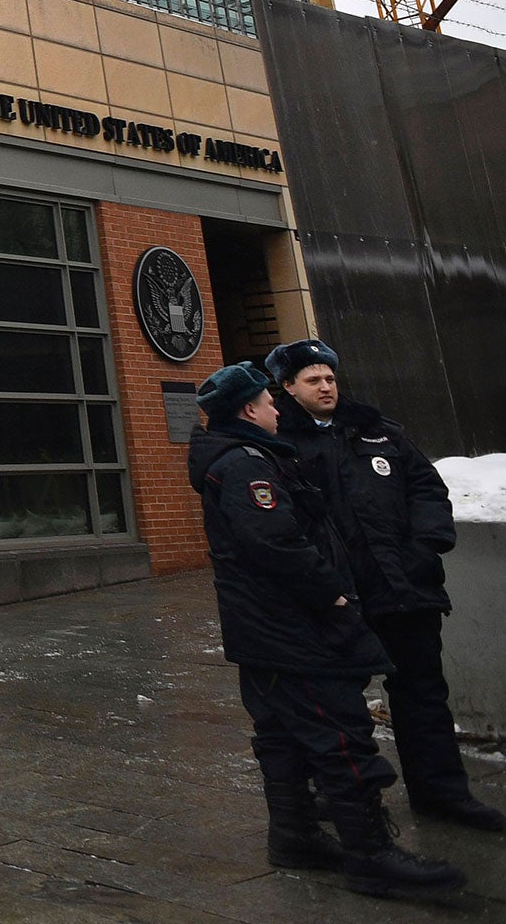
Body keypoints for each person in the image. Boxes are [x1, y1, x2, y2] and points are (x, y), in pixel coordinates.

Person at [189, 360, 464, 899]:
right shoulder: (248, 465)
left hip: (264, 630)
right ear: (249, 409)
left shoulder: (247, 457)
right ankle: (371, 855)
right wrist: (333, 594)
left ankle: (295, 836)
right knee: (341, 737)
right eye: (269, 401)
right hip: (291, 628)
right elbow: (277, 543)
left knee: (282, 735)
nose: (276, 408)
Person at [269, 337, 504, 832]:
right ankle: (351, 805)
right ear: (287, 387)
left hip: (405, 591)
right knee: (340, 706)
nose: (326, 385)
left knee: (423, 696)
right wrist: (318, 581)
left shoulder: (378, 432)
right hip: (338, 599)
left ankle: (442, 794)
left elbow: (426, 487)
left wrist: (426, 546)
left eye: (330, 376)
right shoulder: (279, 445)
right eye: (312, 379)